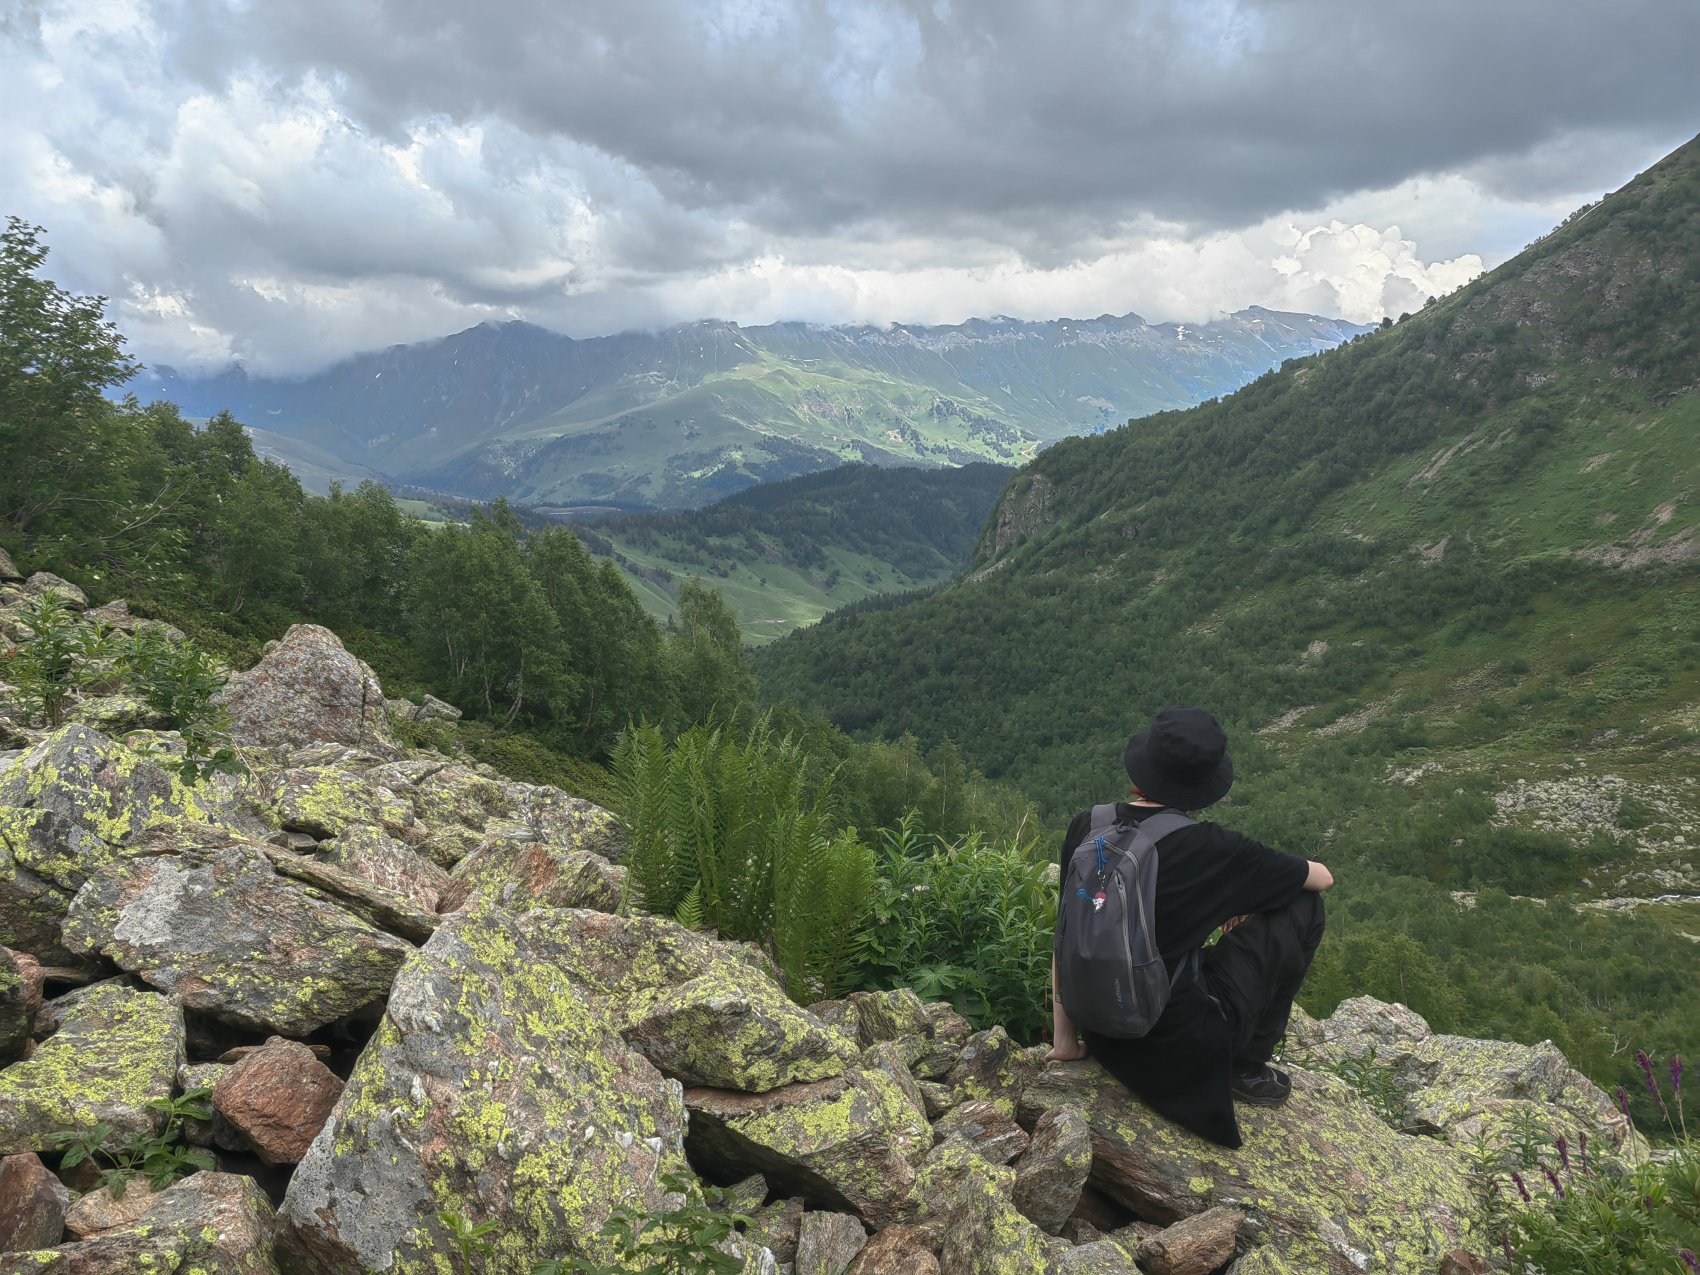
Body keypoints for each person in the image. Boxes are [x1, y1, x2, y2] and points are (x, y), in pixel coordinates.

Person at [1046, 705, 1332, 1149]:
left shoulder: (1089, 826)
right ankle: (1245, 1067)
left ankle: (1071, 1037)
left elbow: (1066, 937)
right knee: (1304, 906)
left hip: (1104, 1034)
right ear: (1204, 787)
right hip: (1180, 1052)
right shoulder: (1212, 848)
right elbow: (1320, 878)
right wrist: (1249, 895)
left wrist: (1065, 1041)